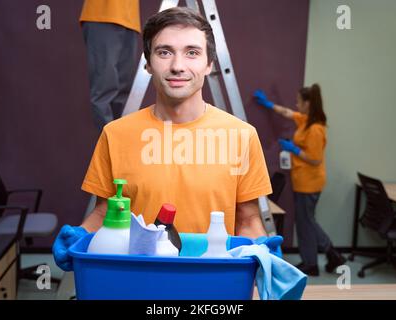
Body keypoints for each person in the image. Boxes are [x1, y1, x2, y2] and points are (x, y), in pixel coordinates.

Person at [54, 7, 281, 272]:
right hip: (137, 282)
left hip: (211, 284)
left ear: (209, 64)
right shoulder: (115, 135)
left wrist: (260, 247)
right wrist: (81, 236)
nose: (177, 66)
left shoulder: (242, 136)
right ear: (148, 63)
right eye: (164, 52)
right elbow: (106, 213)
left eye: (192, 53)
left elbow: (249, 217)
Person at [254, 85, 346, 276]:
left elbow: (315, 158)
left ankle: (323, 257)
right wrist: (268, 104)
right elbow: (288, 113)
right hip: (302, 180)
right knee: (306, 221)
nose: (296, 104)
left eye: (299, 101)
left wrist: (294, 149)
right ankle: (323, 258)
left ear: (308, 103)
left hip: (310, 183)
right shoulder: (305, 120)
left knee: (306, 223)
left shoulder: (315, 129)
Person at [80, 0, 141, 131]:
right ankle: (111, 145)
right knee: (104, 91)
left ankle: (121, 142)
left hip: (130, 20)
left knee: (124, 94)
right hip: (103, 15)